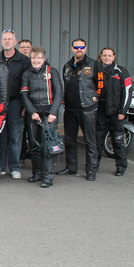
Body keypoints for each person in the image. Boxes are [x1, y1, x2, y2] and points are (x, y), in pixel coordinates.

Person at [20, 46, 63, 187]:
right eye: (33, 58)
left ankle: (48, 177)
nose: (36, 60)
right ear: (30, 59)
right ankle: (37, 173)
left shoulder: (52, 72)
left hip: (48, 113)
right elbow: (24, 95)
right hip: (33, 113)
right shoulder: (27, 74)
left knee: (47, 145)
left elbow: (58, 93)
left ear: (44, 59)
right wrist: (32, 112)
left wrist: (53, 112)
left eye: (39, 58)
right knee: (33, 145)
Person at [59, 38, 100, 181]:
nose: (79, 49)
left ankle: (91, 170)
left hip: (87, 109)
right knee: (69, 140)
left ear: (86, 48)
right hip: (70, 109)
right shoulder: (67, 66)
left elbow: (101, 85)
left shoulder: (94, 65)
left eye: (81, 47)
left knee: (90, 140)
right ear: (72, 48)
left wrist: (95, 99)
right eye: (76, 47)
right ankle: (71, 167)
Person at [0, 29, 31, 179]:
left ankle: (15, 167)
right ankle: (1, 166)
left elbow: (27, 84)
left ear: (15, 41)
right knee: (1, 135)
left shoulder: (24, 61)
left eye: (10, 39)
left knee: (15, 135)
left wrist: (25, 106)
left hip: (16, 102)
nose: (7, 41)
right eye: (5, 39)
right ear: (1, 41)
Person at [95, 47, 133, 176]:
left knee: (117, 139)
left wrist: (123, 111)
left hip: (116, 112)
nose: (107, 58)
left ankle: (121, 166)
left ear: (114, 56)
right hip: (99, 110)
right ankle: (94, 165)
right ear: (100, 56)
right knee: (97, 139)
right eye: (104, 55)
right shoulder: (96, 70)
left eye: (109, 55)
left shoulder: (121, 71)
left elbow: (128, 92)